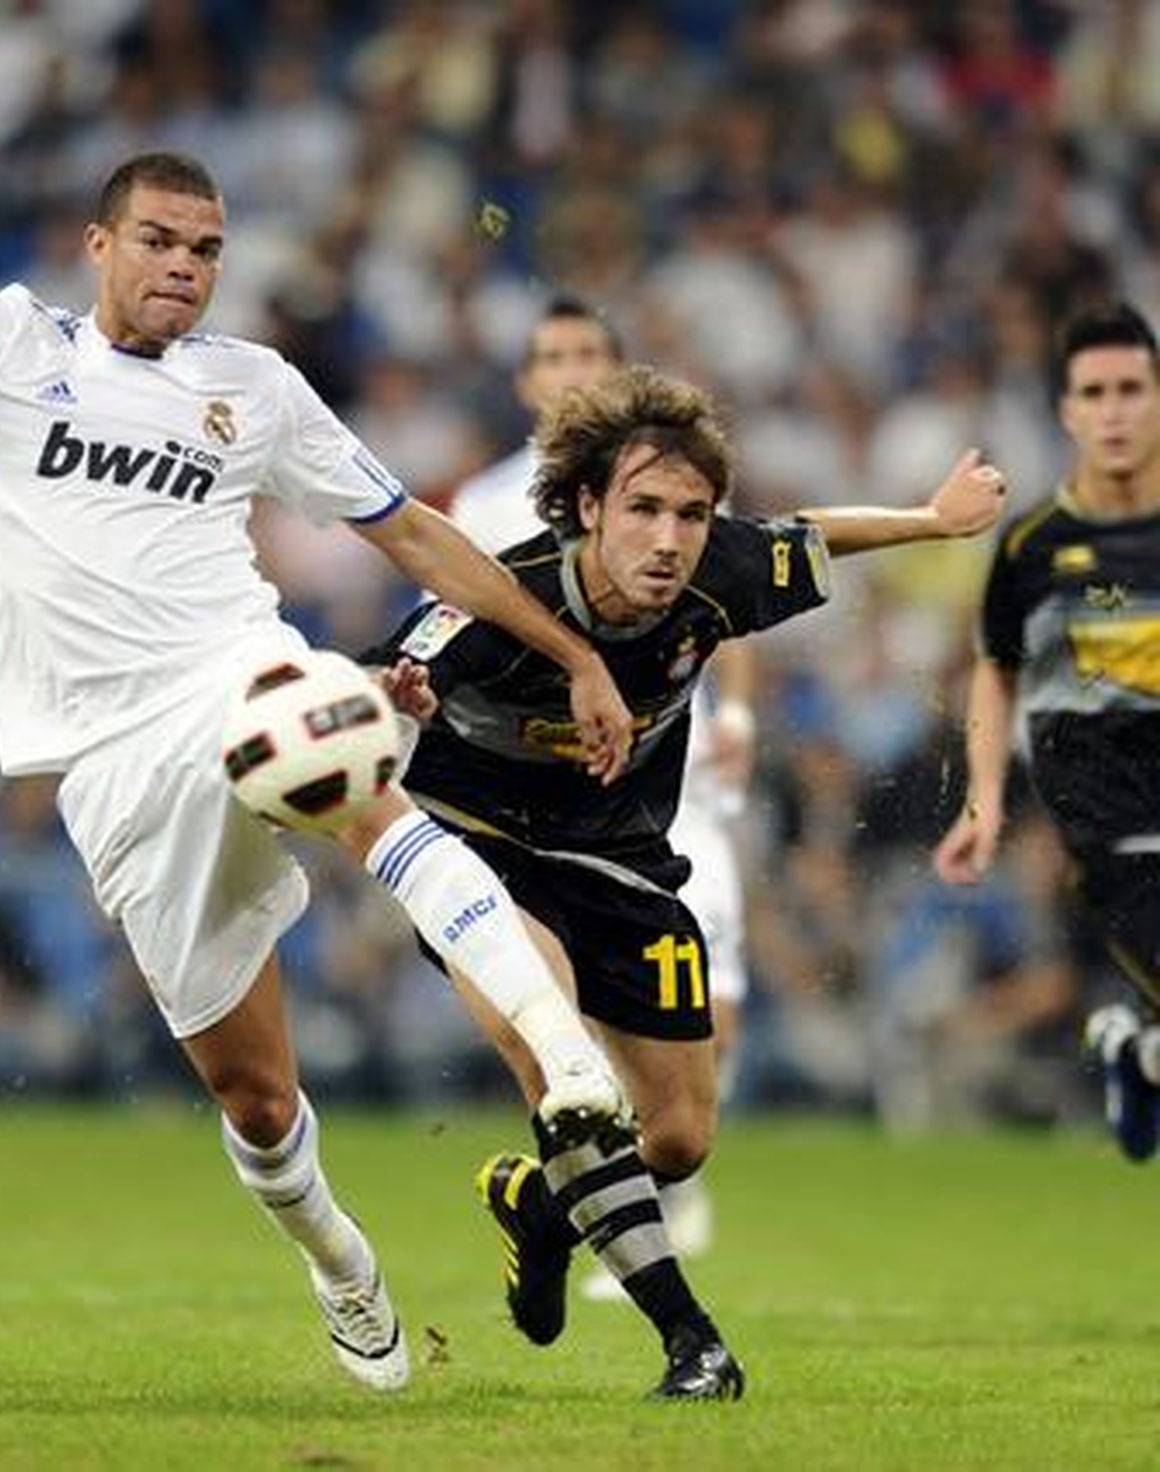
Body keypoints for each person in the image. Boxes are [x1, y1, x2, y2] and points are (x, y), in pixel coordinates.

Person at [0, 106, 643, 1392]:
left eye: (207, 249)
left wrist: (575, 654)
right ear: (97, 243)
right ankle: (339, 1260)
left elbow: (420, 536)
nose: (184, 266)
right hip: (106, 758)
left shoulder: (254, 387)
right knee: (258, 1101)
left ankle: (566, 1066)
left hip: (239, 668)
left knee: (368, 777)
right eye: (160, 241)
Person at [369, 363, 1007, 1399]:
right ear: (587, 506)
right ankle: (692, 1341)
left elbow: (809, 530)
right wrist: (391, 692)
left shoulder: (719, 573)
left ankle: (539, 1207)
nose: (669, 538)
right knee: (564, 1066)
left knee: (676, 1136)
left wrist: (932, 521)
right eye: (644, 509)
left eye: (691, 512)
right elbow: (360, 680)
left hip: (619, 861)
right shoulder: (499, 596)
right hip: (478, 854)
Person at [451, 294, 756, 1264]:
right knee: (563, 1019)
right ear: (525, 380)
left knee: (712, 997)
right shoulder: (483, 505)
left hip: (674, 781)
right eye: (553, 354)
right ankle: (615, 1203)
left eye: (590, 350)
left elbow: (736, 596)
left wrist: (737, 712)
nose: (572, 366)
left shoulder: (668, 483)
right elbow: (450, 641)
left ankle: (661, 1176)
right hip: (543, 803)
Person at [934, 300, 1160, 1164]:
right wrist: (985, 800)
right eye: (1094, 392)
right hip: (1108, 827)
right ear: (1066, 411)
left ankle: (1135, 1051)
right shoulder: (1034, 543)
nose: (1113, 411)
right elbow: (996, 666)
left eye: (1131, 390)